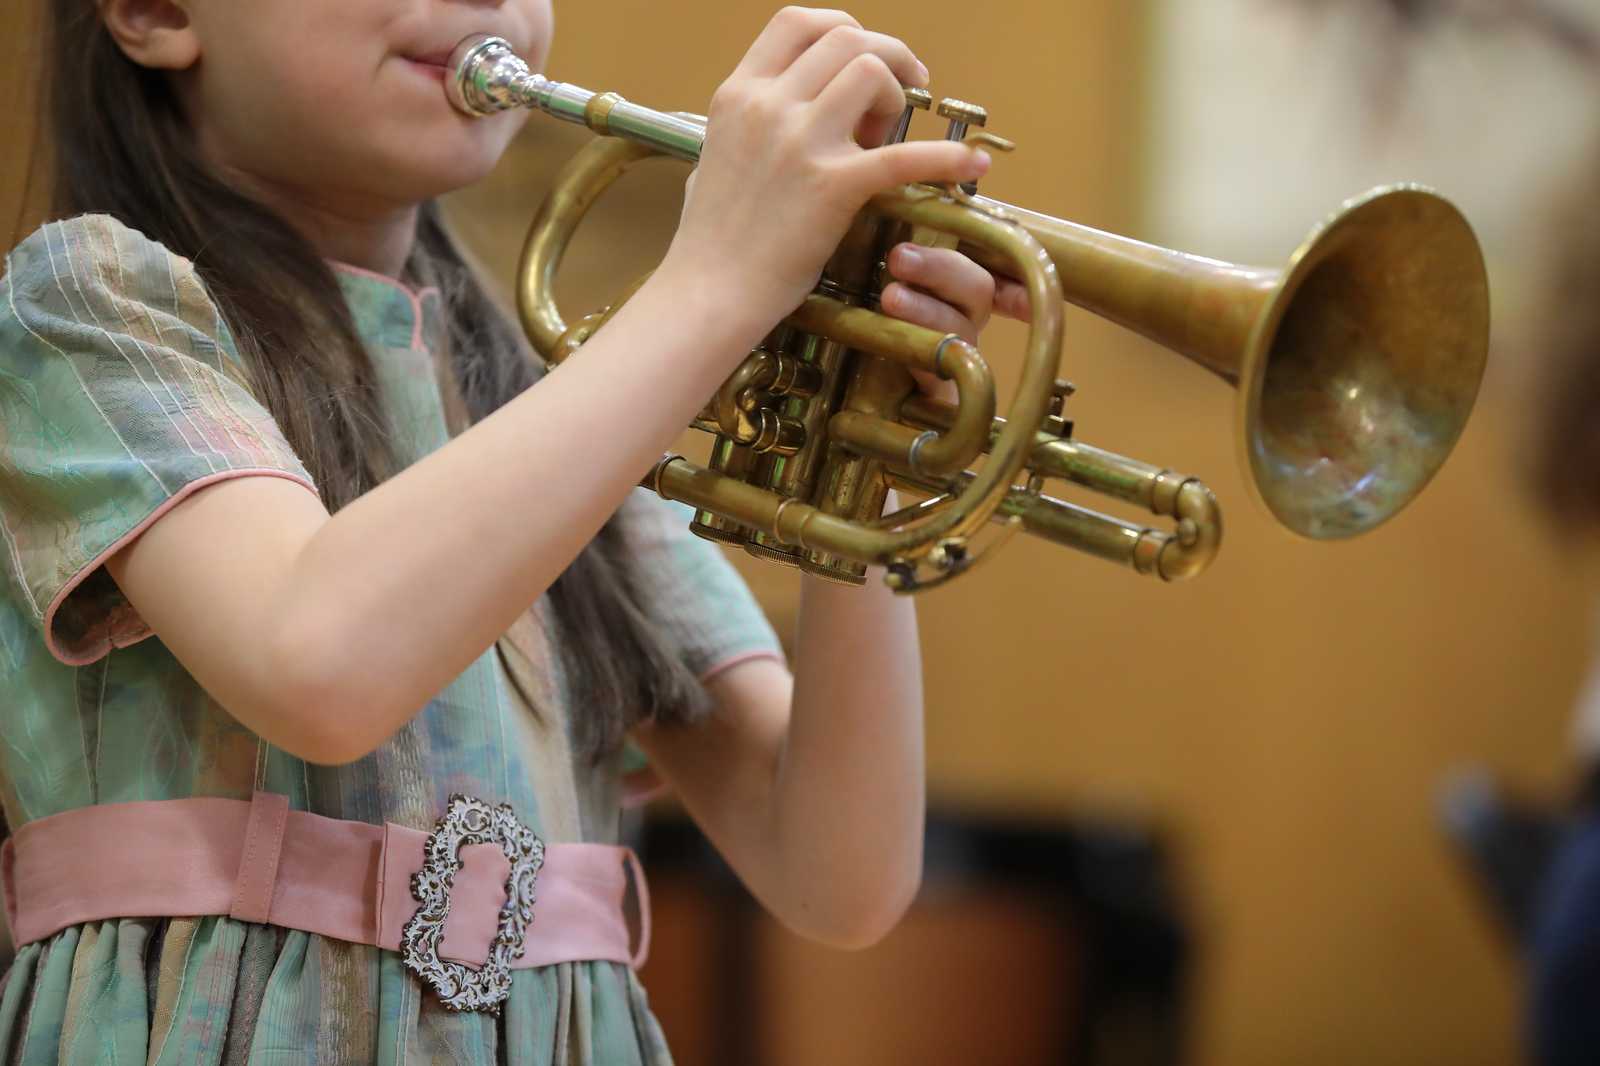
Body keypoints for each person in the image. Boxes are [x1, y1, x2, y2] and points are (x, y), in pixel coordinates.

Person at [0, 2, 1029, 1062]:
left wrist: (863, 432)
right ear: (156, 12)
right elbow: (314, 662)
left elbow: (836, 877)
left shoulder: (544, 408)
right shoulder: (85, 305)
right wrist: (720, 278)